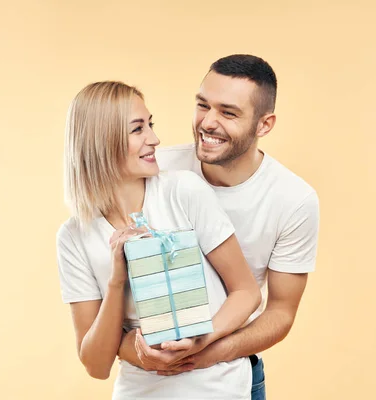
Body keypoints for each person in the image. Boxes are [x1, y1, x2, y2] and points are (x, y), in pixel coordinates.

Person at [118, 54, 320, 400]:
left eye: (228, 113)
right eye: (202, 105)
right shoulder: (155, 168)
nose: (207, 122)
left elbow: (281, 312)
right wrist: (138, 352)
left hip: (230, 375)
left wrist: (205, 353)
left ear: (264, 125)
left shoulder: (294, 199)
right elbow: (115, 291)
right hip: (148, 375)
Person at [55, 81, 261, 399]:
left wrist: (198, 341)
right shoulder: (74, 237)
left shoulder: (183, 192)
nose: (155, 139)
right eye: (138, 130)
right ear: (101, 141)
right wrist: (116, 279)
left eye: (150, 125)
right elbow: (96, 366)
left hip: (218, 387)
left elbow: (247, 293)